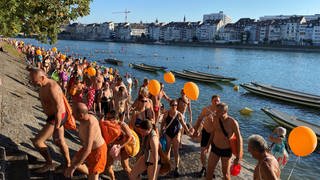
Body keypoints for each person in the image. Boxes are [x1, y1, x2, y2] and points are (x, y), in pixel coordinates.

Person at [29, 69, 71, 172]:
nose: (33, 83)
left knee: (38, 142)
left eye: (35, 81)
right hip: (53, 116)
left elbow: (59, 109)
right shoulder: (43, 85)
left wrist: (56, 127)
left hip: (56, 117)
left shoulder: (52, 88)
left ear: (42, 78)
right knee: (60, 142)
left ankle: (49, 163)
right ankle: (68, 164)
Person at [65, 103, 107, 180]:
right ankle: (90, 172)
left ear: (81, 115)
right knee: (74, 161)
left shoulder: (90, 123)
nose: (72, 115)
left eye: (73, 113)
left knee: (93, 177)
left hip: (98, 151)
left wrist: (73, 168)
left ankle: (93, 174)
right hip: (86, 147)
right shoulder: (83, 118)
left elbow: (88, 150)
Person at [205, 102, 243, 180]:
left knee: (225, 174)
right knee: (209, 171)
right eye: (216, 110)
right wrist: (208, 145)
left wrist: (238, 156)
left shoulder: (232, 122)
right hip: (215, 148)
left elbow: (239, 139)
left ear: (224, 112)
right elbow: (213, 132)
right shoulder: (215, 119)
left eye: (218, 111)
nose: (216, 112)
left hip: (226, 151)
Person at [160, 100, 193, 177]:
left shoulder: (179, 115)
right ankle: (167, 165)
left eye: (175, 105)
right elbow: (163, 122)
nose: (174, 106)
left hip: (176, 134)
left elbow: (183, 125)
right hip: (168, 133)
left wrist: (188, 132)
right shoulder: (166, 113)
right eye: (173, 105)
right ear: (170, 105)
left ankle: (176, 168)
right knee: (167, 150)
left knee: (176, 151)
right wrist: (161, 130)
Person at [193, 95, 220, 177]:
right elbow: (200, 119)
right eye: (215, 100)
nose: (217, 102)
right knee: (203, 151)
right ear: (211, 101)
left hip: (215, 134)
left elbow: (224, 123)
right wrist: (196, 130)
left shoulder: (220, 111)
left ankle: (211, 169)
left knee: (214, 154)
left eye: (218, 100)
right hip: (206, 132)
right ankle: (204, 167)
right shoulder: (206, 109)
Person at [103, 110, 133, 180]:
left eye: (109, 118)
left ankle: (134, 177)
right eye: (106, 118)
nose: (107, 120)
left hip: (124, 147)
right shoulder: (108, 124)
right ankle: (113, 179)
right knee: (108, 166)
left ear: (115, 119)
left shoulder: (123, 125)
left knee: (125, 167)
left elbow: (130, 137)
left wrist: (120, 146)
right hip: (113, 146)